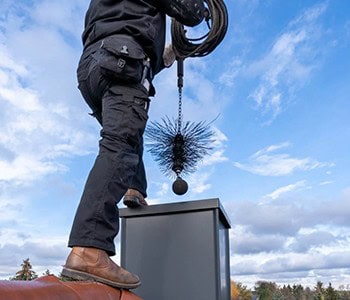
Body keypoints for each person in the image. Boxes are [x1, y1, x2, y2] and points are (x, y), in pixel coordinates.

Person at [62, 0, 205, 290]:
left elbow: (126, 33)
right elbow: (191, 12)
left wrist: (167, 55)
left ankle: (134, 188)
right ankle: (89, 249)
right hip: (120, 60)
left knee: (127, 133)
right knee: (121, 144)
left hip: (95, 66)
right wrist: (203, 9)